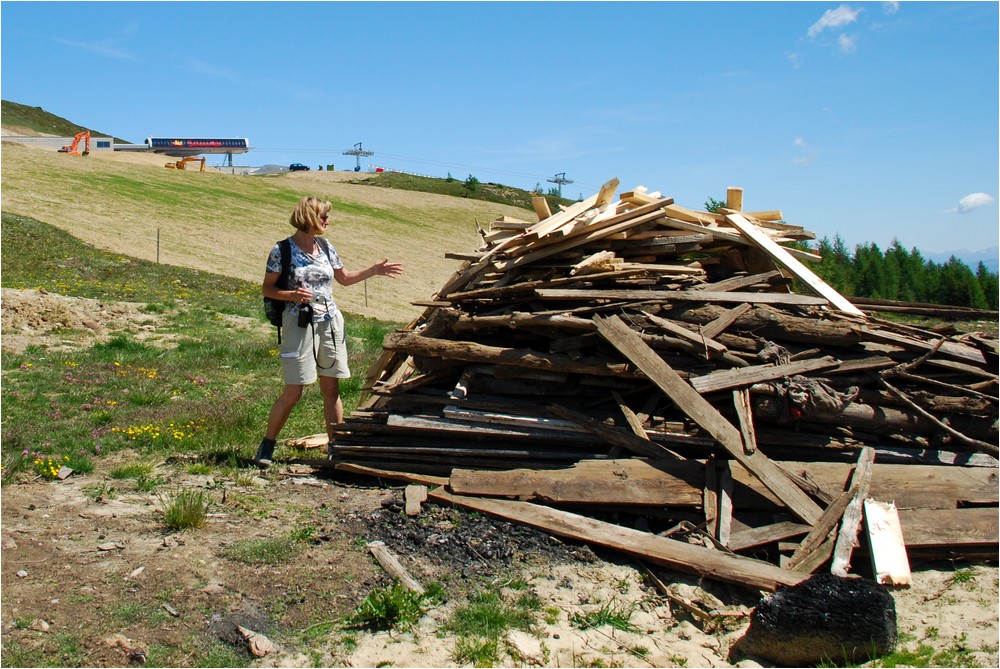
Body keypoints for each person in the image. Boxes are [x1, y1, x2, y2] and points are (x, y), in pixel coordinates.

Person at [255, 196, 403, 468]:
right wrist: (292, 294)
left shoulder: (325, 246)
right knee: (294, 390)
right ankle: (267, 445)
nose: (327, 221)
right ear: (310, 218)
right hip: (298, 323)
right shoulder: (281, 250)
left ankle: (336, 448)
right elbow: (268, 289)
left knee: (331, 386)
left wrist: (374, 270)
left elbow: (344, 279)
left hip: (330, 322)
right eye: (323, 217)